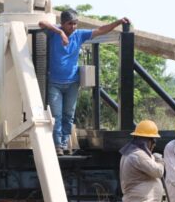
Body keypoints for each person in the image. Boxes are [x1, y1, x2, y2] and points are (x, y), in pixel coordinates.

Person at [39, 9, 129, 155]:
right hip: (54, 82)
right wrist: (60, 32)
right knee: (57, 115)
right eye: (70, 24)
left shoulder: (79, 35)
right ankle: (57, 145)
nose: (73, 27)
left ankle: (64, 143)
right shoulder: (54, 33)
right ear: (62, 23)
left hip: (72, 82)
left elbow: (101, 30)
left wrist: (118, 22)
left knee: (69, 114)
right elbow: (42, 23)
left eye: (75, 24)